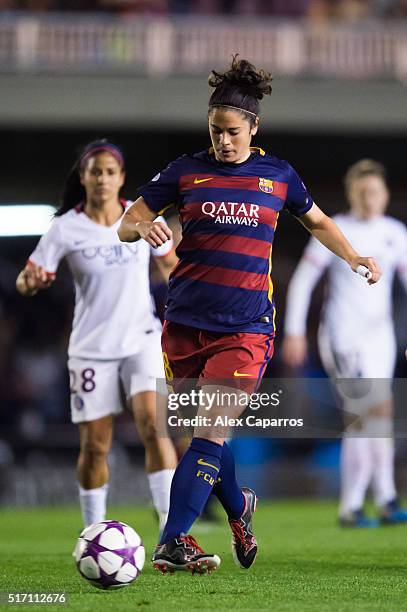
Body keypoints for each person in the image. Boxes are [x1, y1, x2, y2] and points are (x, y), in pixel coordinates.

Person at [117, 56, 381, 574]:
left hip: (246, 328)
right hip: (184, 325)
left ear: (253, 127)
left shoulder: (277, 175)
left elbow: (319, 222)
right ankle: (240, 510)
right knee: (206, 437)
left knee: (210, 433)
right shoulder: (185, 171)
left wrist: (353, 257)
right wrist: (140, 229)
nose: (223, 142)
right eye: (215, 132)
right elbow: (128, 222)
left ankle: (174, 539)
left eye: (232, 132)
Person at [16, 140, 178, 534]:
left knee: (154, 428)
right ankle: (94, 533)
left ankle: (173, 533)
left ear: (121, 178)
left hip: (142, 340)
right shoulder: (66, 228)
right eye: (95, 171)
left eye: (110, 172)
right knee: (95, 446)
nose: (102, 178)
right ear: (83, 177)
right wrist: (30, 282)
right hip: (91, 349)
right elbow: (27, 279)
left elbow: (172, 269)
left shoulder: (142, 219)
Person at [282, 159, 407, 527]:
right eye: (363, 192)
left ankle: (384, 499)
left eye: (375, 192)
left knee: (378, 416)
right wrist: (293, 332)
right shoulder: (337, 231)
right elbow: (304, 281)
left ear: (385, 194)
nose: (370, 199)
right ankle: (351, 506)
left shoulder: (395, 233)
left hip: (379, 336)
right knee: (364, 415)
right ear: (352, 193)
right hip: (343, 335)